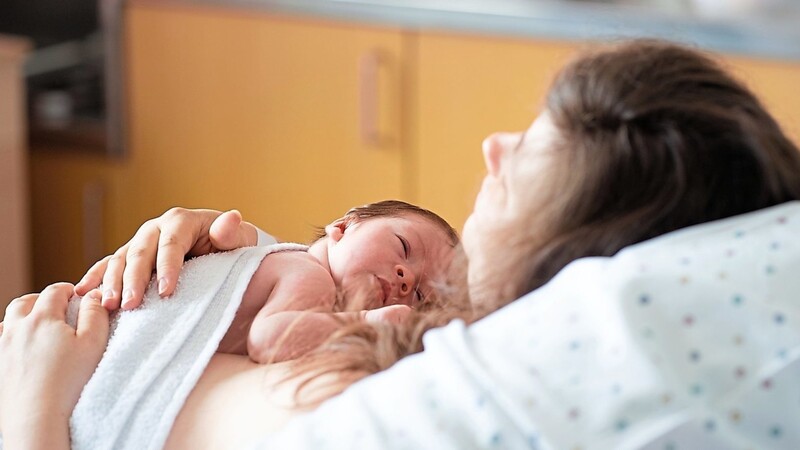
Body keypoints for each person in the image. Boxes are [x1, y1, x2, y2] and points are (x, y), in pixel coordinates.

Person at [3, 39, 800, 449]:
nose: (492, 146)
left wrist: (32, 407)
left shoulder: (438, 404)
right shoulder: (408, 340)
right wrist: (221, 262)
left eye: (523, 160)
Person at [81, 199, 459, 364]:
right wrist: (368, 323)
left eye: (422, 295)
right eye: (403, 246)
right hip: (97, 328)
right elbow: (269, 339)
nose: (406, 278)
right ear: (343, 227)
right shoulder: (308, 276)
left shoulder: (280, 262)